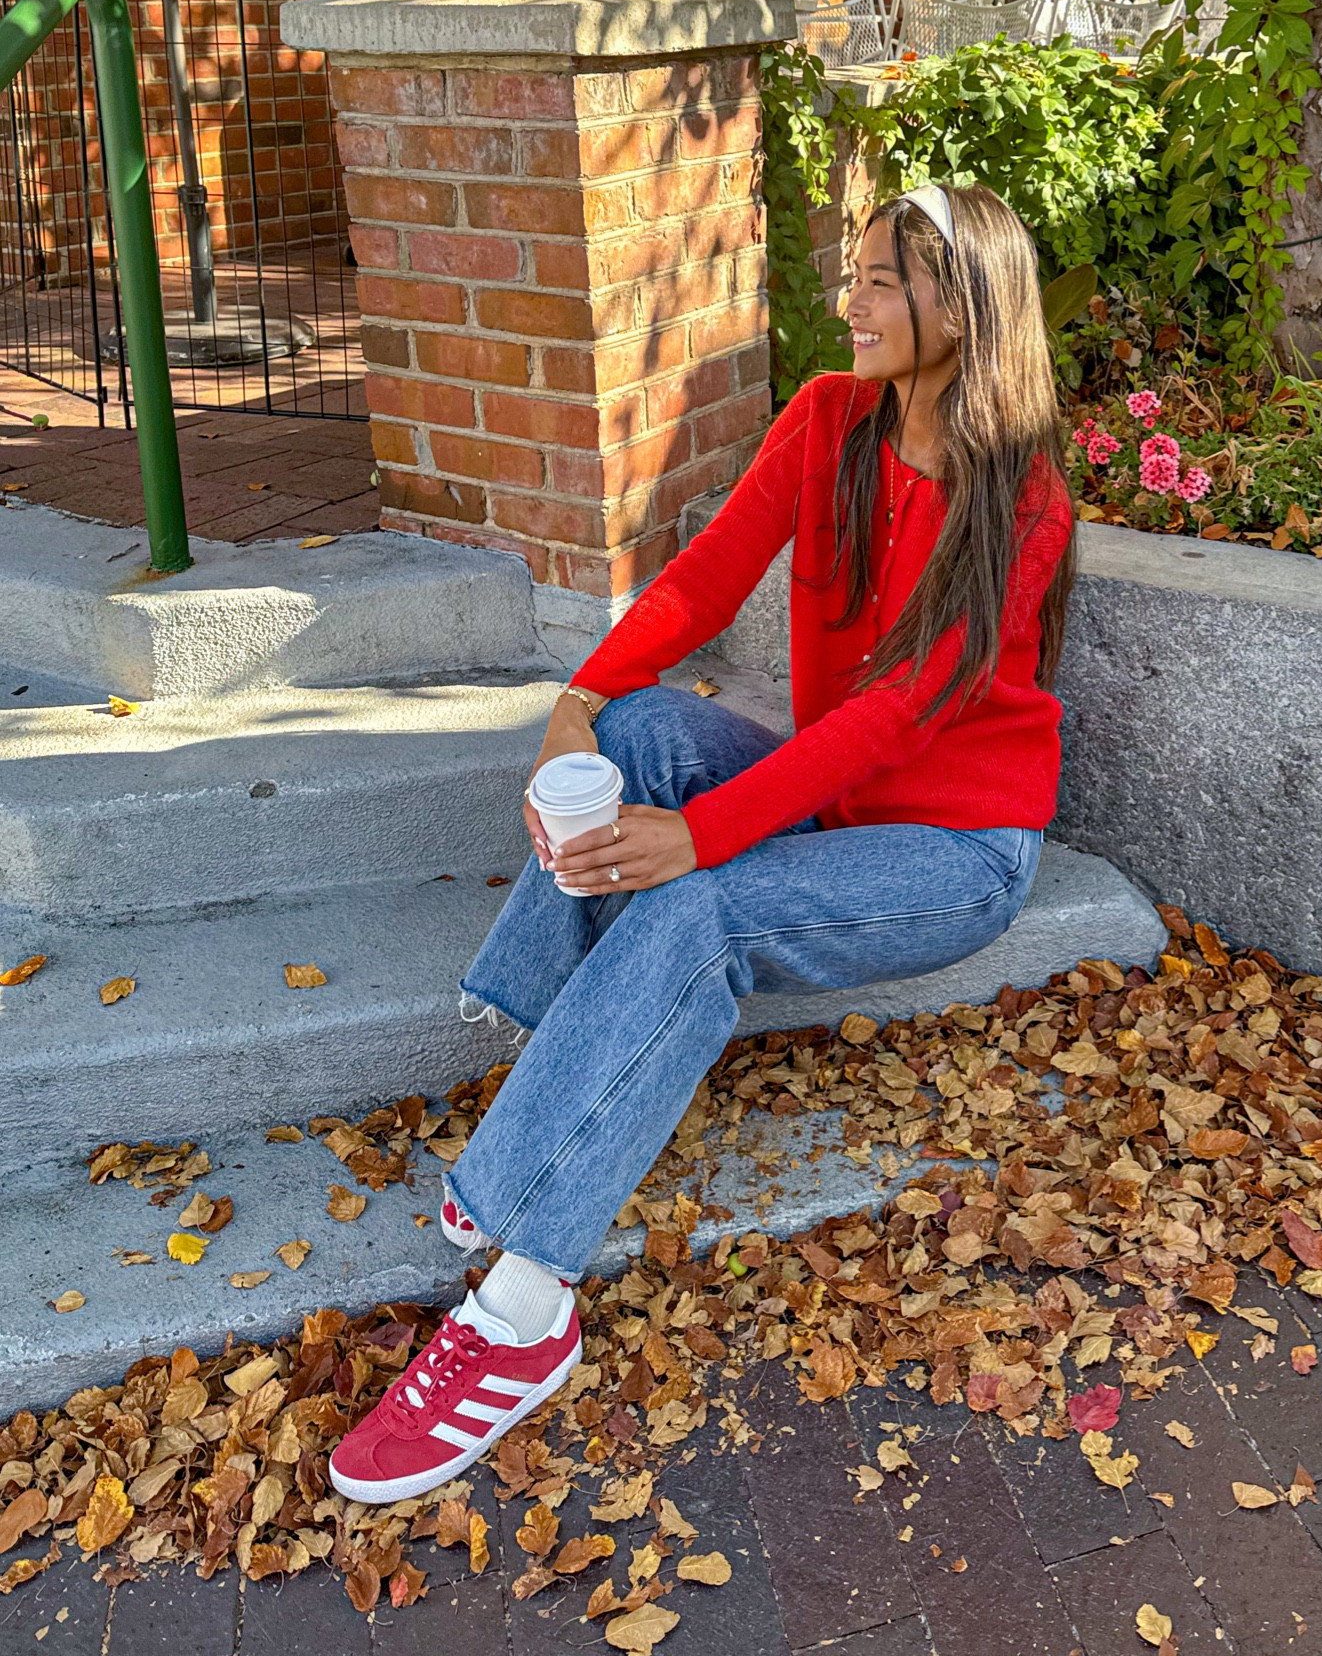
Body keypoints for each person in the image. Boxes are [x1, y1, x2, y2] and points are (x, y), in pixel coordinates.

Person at [329, 181, 1077, 1502]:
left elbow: (897, 720)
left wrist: (704, 836)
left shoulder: (1023, 504)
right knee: (641, 733)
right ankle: (550, 1084)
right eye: (853, 274)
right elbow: (707, 577)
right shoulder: (829, 419)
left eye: (880, 282)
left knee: (700, 909)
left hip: (955, 848)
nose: (849, 301)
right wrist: (576, 706)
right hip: (835, 798)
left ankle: (523, 1315)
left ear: (962, 307)